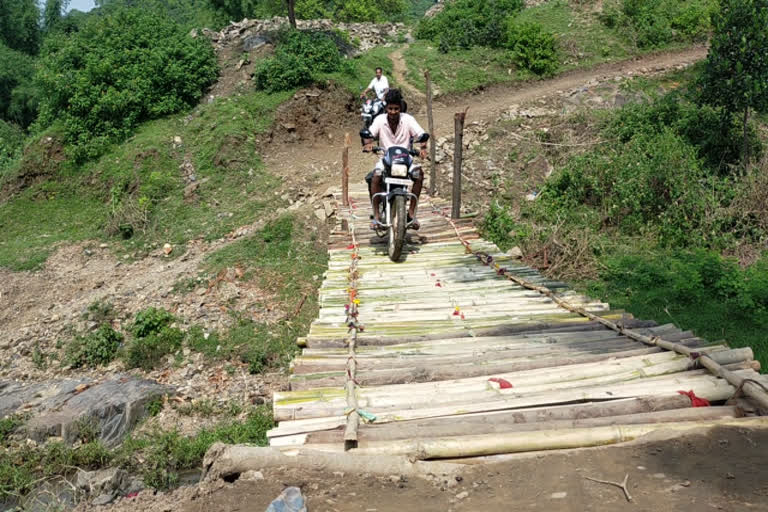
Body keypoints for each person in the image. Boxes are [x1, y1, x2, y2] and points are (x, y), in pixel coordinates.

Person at [362, 89, 428, 230]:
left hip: (406, 159)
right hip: (385, 159)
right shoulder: (379, 120)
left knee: (419, 174)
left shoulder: (408, 119)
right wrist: (368, 144)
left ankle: (411, 214)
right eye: (390, 108)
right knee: (376, 175)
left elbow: (421, 133)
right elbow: (370, 134)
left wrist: (423, 147)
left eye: (396, 109)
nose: (393, 112)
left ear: (400, 108)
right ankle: (377, 217)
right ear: (386, 108)